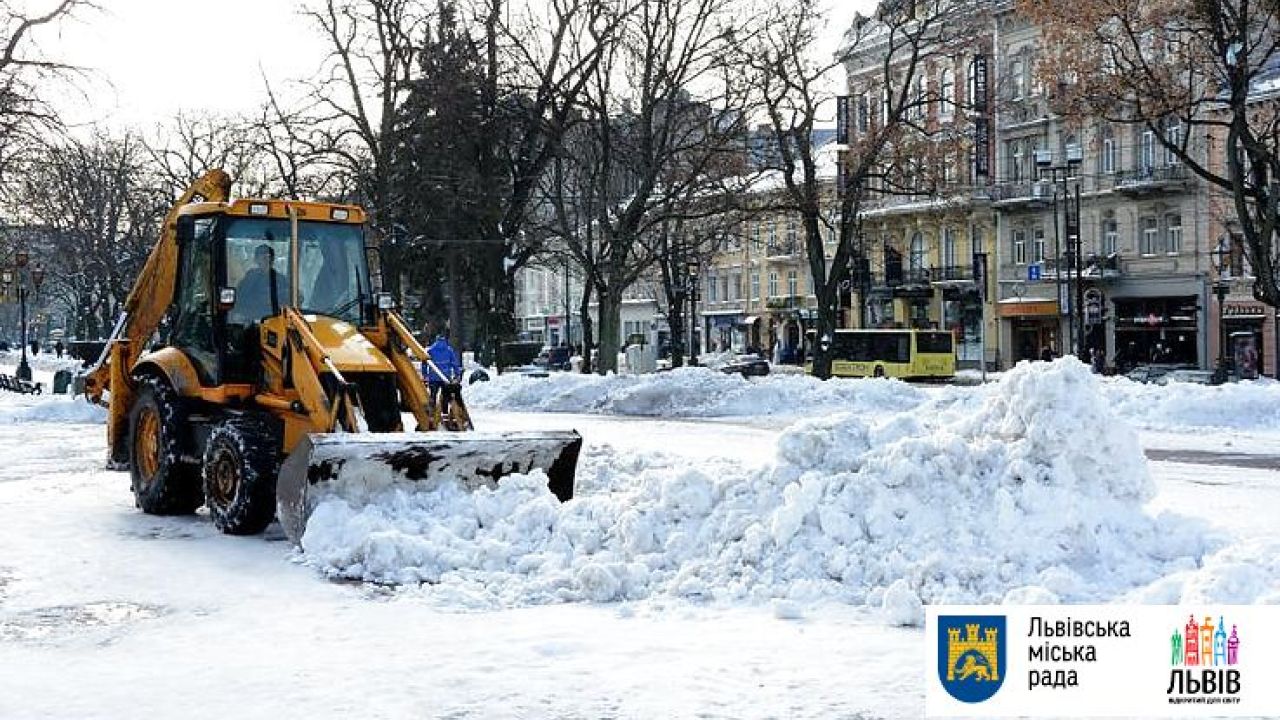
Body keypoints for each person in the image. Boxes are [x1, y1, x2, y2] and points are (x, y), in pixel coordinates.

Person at [233, 244, 290, 324]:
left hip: (276, 321)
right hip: (252, 321)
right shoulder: (249, 278)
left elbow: (292, 299)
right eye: (263, 258)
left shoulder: (281, 280)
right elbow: (239, 298)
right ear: (256, 260)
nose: (267, 261)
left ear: (273, 260)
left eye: (270, 258)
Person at [421, 327, 464, 427]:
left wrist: (425, 375)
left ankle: (431, 416)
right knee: (445, 396)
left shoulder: (431, 350)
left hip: (433, 378)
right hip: (445, 378)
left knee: (433, 396)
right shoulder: (449, 350)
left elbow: (424, 363)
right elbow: (455, 364)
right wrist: (457, 375)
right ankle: (445, 414)